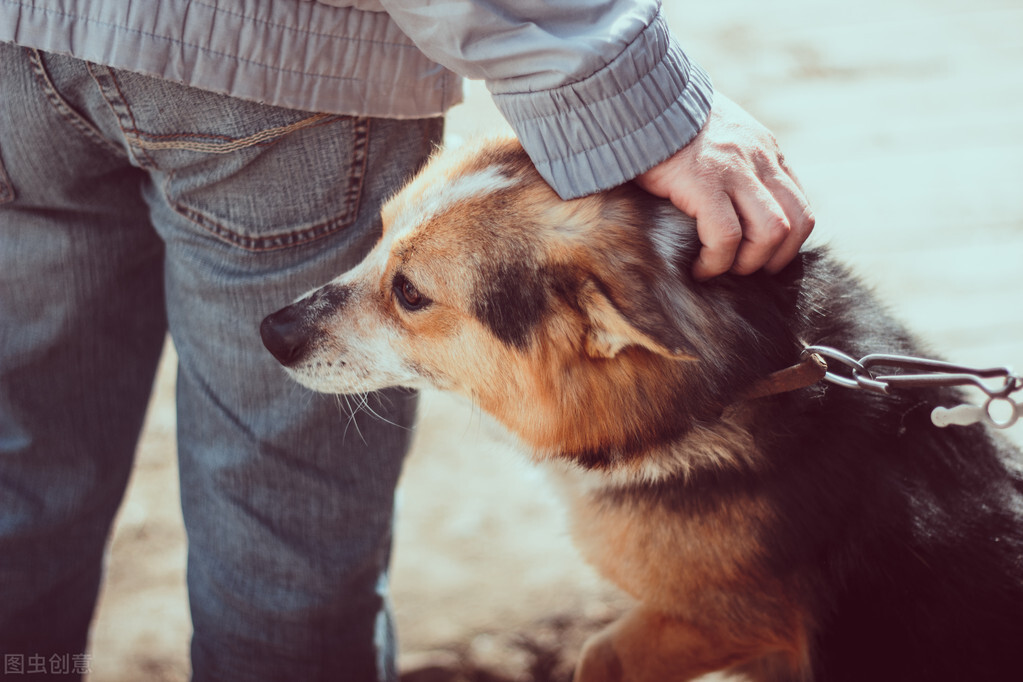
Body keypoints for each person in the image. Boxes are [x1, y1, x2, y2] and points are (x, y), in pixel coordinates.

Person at [0, 1, 814, 680]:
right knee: (286, 539)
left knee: (25, 478)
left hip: (18, 52)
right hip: (266, 65)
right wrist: (634, 99)